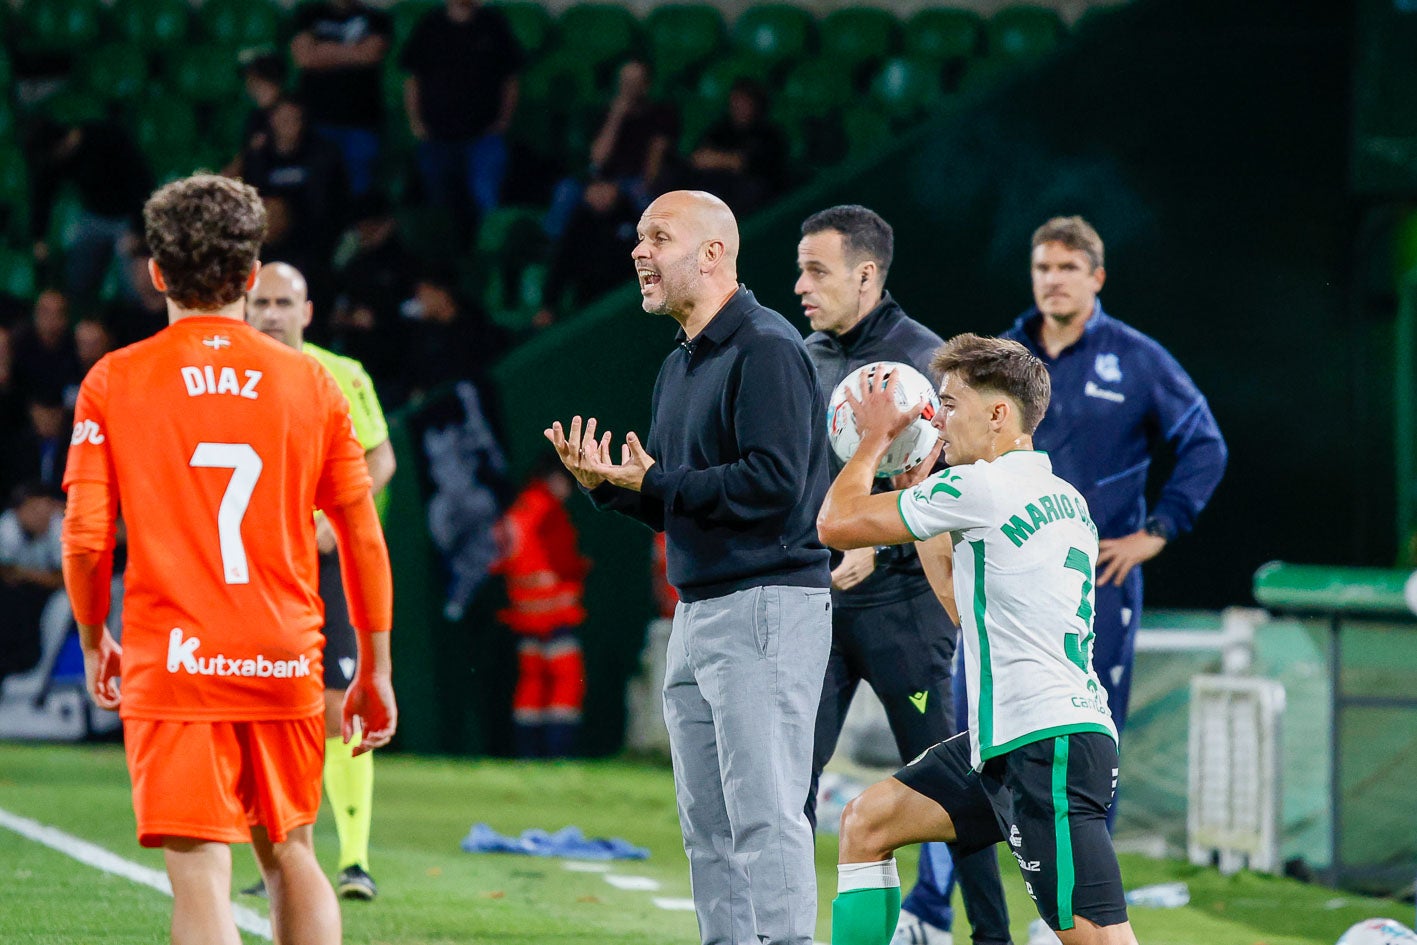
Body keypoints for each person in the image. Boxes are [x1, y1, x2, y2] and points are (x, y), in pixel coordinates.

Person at [60, 174, 396, 945]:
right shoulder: (313, 380)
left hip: (174, 657)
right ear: (250, 276)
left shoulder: (114, 378)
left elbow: (84, 537)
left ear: (155, 272)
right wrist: (375, 664)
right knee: (291, 850)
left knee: (201, 869)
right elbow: (360, 534)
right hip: (282, 651)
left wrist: (91, 637)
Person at [545, 190, 833, 945]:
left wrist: (655, 484)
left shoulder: (766, 347)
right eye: (638, 237)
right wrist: (613, 492)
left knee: (765, 807)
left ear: (713, 253)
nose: (639, 251)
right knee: (706, 819)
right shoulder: (679, 365)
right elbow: (688, 501)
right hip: (699, 608)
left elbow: (772, 486)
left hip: (766, 603)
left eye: (658, 237)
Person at [816, 333, 1136, 945]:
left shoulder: (981, 489)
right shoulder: (1063, 497)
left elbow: (836, 523)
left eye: (950, 404)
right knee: (868, 821)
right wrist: (918, 495)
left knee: (1100, 939)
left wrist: (875, 437)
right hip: (1011, 738)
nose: (937, 418)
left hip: (1047, 747)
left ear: (998, 414)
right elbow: (965, 613)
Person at [796, 205, 1012, 945]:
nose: (801, 285)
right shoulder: (806, 356)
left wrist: (878, 543)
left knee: (956, 798)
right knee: (790, 782)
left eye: (816, 271)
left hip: (905, 609)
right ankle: (784, 927)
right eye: (799, 269)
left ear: (866, 274)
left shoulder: (926, 360)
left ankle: (990, 936)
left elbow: (961, 481)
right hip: (822, 607)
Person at [1000, 216, 1226, 754]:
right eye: (1043, 267)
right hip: (1008, 572)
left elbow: (1206, 445)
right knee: (984, 731)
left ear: (1097, 277)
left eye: (1068, 268)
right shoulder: (1002, 357)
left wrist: (1160, 529)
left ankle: (1086, 841)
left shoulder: (1137, 358)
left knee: (1091, 739)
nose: (1053, 279)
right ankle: (982, 841)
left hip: (1095, 577)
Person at [245, 261, 397, 901]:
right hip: (257, 559)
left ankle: (354, 860)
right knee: (263, 705)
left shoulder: (341, 373)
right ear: (245, 310)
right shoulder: (231, 377)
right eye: (261, 303)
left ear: (307, 312)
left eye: (284, 302)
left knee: (339, 703)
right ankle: (280, 855)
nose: (272, 314)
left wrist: (336, 518)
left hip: (327, 557)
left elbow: (379, 456)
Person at [400, 0, 524, 239]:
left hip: (483, 136)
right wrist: (416, 123)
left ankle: (486, 259)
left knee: (486, 200)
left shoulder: (494, 24)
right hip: (437, 136)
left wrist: (504, 121)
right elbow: (413, 78)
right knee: (438, 208)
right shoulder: (430, 25)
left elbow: (511, 79)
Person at [491, 460, 589, 758]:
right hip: (554, 611)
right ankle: (559, 750)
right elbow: (564, 560)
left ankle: (528, 751)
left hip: (523, 611)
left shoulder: (516, 511)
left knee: (531, 682)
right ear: (554, 479)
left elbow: (498, 560)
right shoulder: (549, 511)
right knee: (567, 678)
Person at [542, 60, 678, 240]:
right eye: (624, 81)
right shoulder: (597, 112)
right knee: (566, 189)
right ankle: (547, 252)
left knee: (645, 200)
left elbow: (653, 167)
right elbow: (596, 161)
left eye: (634, 82)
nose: (628, 88)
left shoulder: (661, 115)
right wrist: (616, 116)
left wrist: (620, 190)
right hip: (598, 179)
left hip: (634, 181)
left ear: (646, 85)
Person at [289, 0, 393, 197]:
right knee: (319, 190)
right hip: (317, 120)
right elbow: (304, 57)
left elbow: (370, 54)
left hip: (362, 121)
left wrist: (323, 50)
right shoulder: (307, 14)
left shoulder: (376, 18)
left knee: (361, 191)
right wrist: (354, 51)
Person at [682, 78, 787, 216]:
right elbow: (698, 158)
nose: (738, 106)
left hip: (756, 201)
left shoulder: (769, 134)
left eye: (744, 102)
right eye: (735, 101)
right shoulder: (720, 130)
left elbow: (750, 163)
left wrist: (720, 160)